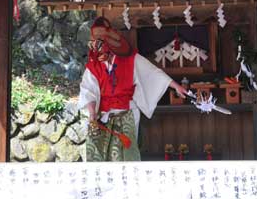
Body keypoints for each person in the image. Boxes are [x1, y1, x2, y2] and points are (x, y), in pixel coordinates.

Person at [79, 16, 188, 161]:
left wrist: (176, 86)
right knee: (102, 156)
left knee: (126, 155)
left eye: (102, 45)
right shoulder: (94, 65)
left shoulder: (131, 59)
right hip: (103, 116)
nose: (99, 50)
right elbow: (88, 90)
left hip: (127, 114)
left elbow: (152, 73)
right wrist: (92, 115)